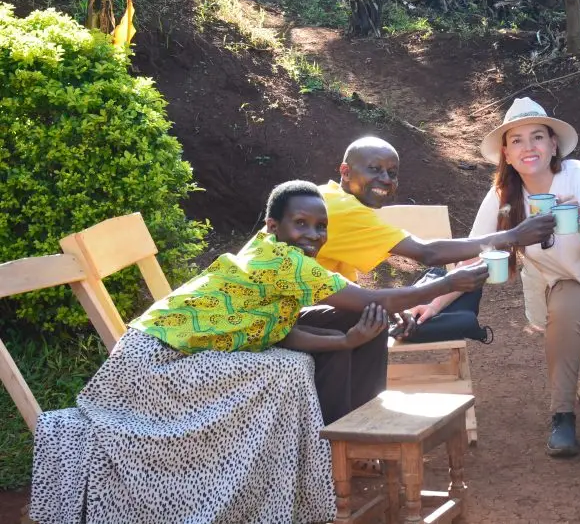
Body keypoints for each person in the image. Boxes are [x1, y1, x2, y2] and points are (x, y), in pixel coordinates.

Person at [30, 180, 488, 524]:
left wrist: (347, 341)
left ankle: (342, 448)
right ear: (274, 226)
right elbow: (376, 301)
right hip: (151, 365)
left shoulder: (280, 259)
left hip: (177, 355)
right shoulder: (281, 260)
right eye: (301, 224)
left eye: (320, 227)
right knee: (288, 369)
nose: (312, 234)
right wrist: (448, 283)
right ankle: (303, 467)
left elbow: (279, 332)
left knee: (319, 342)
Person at [417, 97, 580, 464]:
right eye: (518, 140)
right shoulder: (502, 199)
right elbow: (472, 255)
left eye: (538, 137)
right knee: (562, 314)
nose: (529, 147)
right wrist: (432, 300)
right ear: (506, 154)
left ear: (553, 144)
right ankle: (562, 417)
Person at [314, 136, 555, 345]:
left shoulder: (331, 197)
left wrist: (388, 311)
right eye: (374, 169)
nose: (386, 179)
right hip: (294, 313)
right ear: (345, 172)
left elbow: (338, 289)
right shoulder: (342, 209)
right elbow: (428, 253)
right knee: (365, 340)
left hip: (306, 303)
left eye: (392, 173)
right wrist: (514, 235)